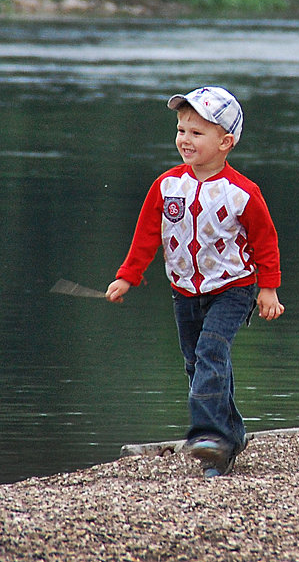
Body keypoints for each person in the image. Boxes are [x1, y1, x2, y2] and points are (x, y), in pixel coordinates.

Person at [106, 86, 285, 476]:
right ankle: (230, 435)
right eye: (181, 130)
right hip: (184, 291)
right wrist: (128, 276)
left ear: (226, 142)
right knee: (198, 364)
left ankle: (209, 438)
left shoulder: (242, 193)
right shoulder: (168, 185)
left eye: (196, 133)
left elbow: (265, 241)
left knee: (210, 354)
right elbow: (147, 234)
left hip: (234, 288)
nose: (185, 139)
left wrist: (267, 288)